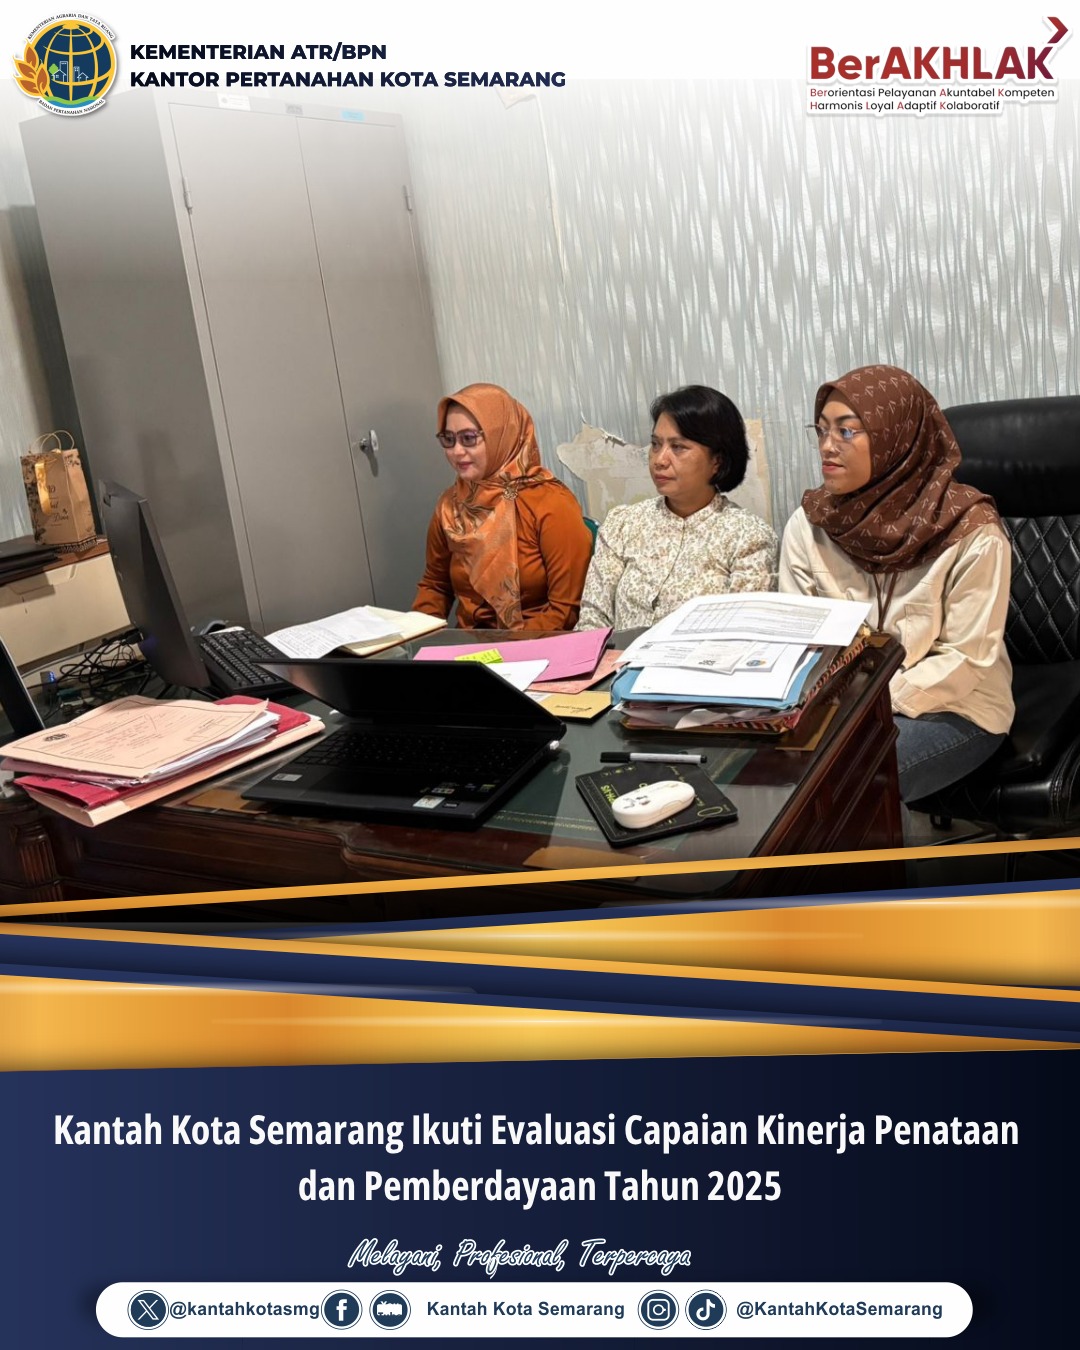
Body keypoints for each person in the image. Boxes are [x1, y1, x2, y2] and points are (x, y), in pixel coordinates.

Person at [779, 364, 1014, 802]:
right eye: (822, 430)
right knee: (773, 782)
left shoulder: (972, 532)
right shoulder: (809, 524)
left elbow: (966, 659)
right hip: (838, 709)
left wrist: (868, 707)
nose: (827, 446)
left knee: (850, 789)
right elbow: (799, 638)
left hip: (953, 706)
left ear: (897, 440)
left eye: (846, 431)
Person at [575, 385, 778, 630]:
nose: (659, 460)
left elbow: (744, 634)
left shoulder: (748, 537)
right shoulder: (623, 524)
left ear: (717, 460)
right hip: (617, 655)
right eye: (655, 444)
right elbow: (592, 619)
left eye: (678, 447)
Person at [412, 383, 592, 630]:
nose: (456, 451)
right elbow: (436, 585)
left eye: (468, 438)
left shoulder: (550, 503)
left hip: (538, 641)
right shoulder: (450, 505)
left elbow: (567, 609)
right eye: (448, 439)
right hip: (470, 644)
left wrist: (505, 648)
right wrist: (417, 637)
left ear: (502, 435)